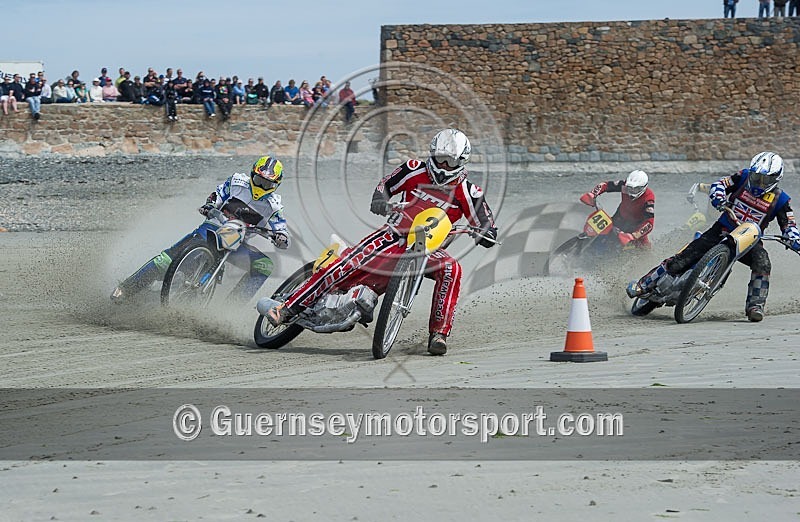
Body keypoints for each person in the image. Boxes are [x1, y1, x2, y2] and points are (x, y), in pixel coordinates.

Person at [265, 128, 498, 356]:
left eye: (450, 161)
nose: (444, 165)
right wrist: (380, 199)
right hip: (393, 233)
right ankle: (287, 308)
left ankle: (439, 334)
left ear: (461, 162)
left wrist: (486, 234)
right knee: (345, 265)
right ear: (432, 154)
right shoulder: (413, 169)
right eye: (440, 159)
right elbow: (386, 184)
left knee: (452, 269)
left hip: (428, 249)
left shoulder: (470, 192)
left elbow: (486, 222)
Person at [627, 152, 800, 322]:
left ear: (776, 178)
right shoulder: (743, 176)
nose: (758, 182)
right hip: (723, 228)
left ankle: (755, 306)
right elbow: (720, 184)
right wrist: (718, 197)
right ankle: (644, 284)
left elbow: (789, 224)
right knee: (684, 257)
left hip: (750, 240)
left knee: (763, 262)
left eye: (765, 180)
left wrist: (793, 239)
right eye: (756, 177)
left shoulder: (781, 200)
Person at [111, 156, 291, 304]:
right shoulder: (236, 182)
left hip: (238, 244)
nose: (261, 187)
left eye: (267, 184)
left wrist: (281, 237)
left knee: (264, 265)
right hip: (212, 229)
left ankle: (231, 308)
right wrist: (210, 205)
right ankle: (126, 288)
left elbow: (281, 228)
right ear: (252, 174)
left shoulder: (274, 206)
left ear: (276, 185)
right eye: (259, 180)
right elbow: (217, 195)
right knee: (165, 260)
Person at [579, 170, 655, 248]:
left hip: (635, 226)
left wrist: (634, 236)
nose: (631, 192)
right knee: (602, 232)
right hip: (619, 217)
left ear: (644, 187)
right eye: (629, 188)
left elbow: (649, 224)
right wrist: (593, 194)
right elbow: (605, 185)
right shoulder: (624, 185)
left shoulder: (648, 198)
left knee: (644, 248)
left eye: (635, 189)